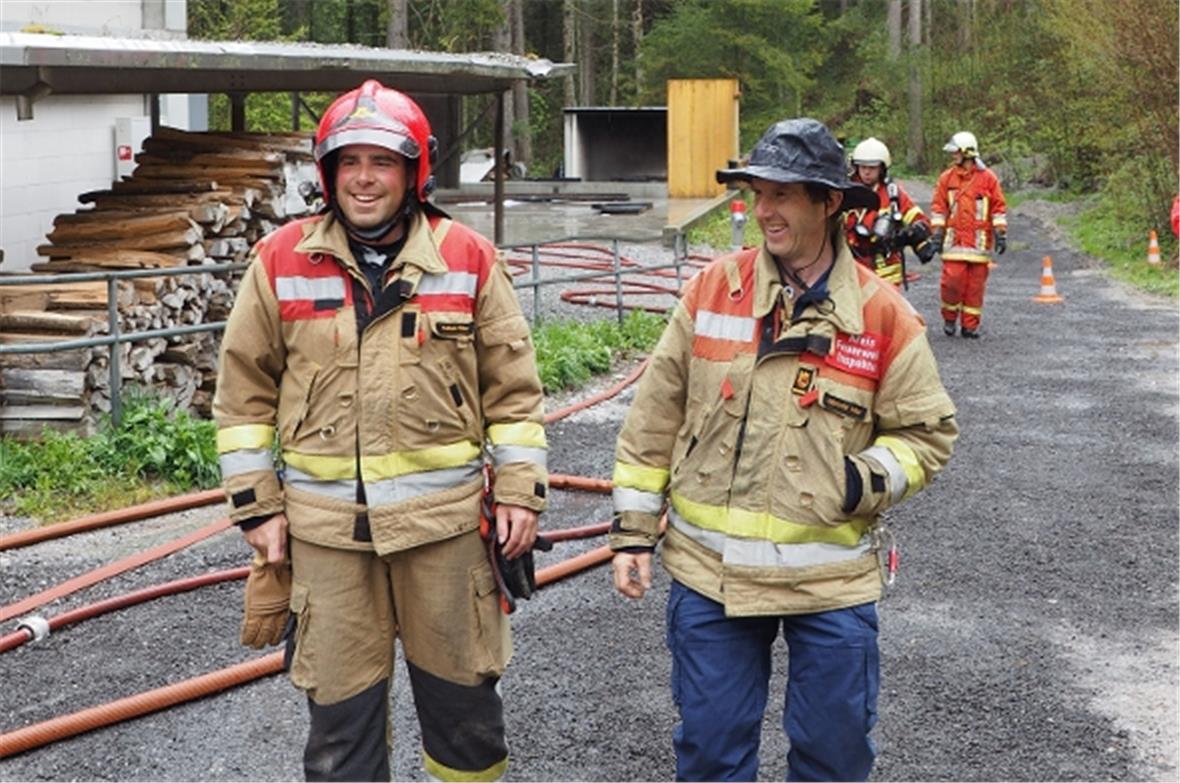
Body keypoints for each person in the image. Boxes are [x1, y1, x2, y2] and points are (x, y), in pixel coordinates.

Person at [213, 79, 548, 783]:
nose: (364, 178)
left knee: (467, 725)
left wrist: (520, 490)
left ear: (413, 171)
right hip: (327, 540)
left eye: (382, 161)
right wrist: (257, 508)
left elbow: (514, 392)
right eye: (349, 161)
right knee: (340, 733)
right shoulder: (279, 260)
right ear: (328, 172)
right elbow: (242, 398)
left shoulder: (469, 258)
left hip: (445, 534)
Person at [609, 118, 959, 782]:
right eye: (758, 193)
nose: (765, 210)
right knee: (711, 754)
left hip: (830, 581)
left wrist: (859, 482)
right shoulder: (713, 290)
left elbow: (927, 434)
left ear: (829, 203)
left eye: (783, 195)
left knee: (834, 757)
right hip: (710, 576)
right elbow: (654, 415)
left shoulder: (882, 315)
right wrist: (632, 533)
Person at [929, 130, 1008, 338]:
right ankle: (949, 318)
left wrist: (1000, 233)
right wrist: (936, 234)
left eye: (956, 152)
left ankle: (969, 326)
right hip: (954, 242)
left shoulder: (988, 179)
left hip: (979, 244)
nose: (953, 155)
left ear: (967, 153)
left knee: (975, 288)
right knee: (951, 282)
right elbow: (938, 208)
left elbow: (998, 208)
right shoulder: (947, 178)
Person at [843, 137, 937, 288]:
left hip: (887, 273)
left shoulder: (893, 194)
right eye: (863, 167)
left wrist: (908, 234)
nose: (866, 172)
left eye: (872, 167)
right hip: (852, 270)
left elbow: (920, 221)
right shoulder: (846, 194)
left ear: (882, 168)